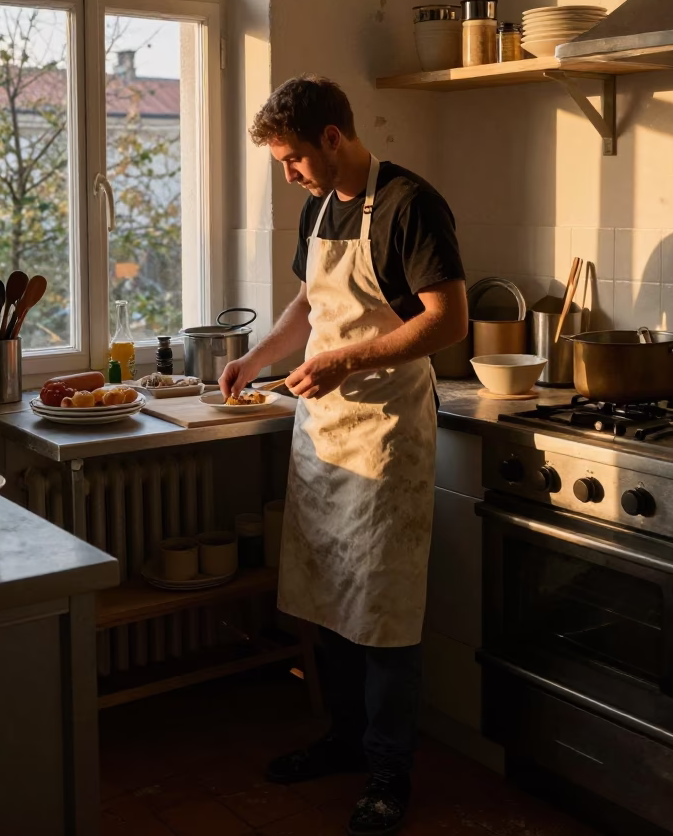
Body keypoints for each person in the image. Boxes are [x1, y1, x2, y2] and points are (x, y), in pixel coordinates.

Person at [220, 76, 467, 836]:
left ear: (332, 137)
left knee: (384, 611)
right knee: (330, 599)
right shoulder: (319, 205)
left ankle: (390, 772)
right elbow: (310, 304)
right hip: (326, 433)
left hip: (387, 429)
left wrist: (345, 362)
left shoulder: (409, 204)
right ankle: (342, 741)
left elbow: (448, 320)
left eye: (293, 159)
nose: (289, 174)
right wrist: (257, 357)